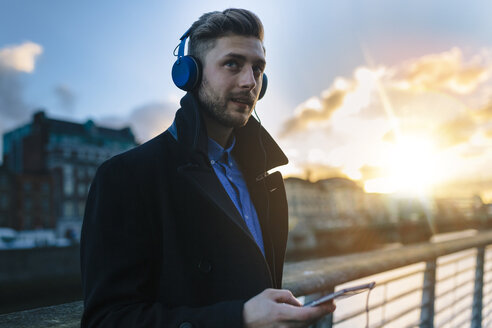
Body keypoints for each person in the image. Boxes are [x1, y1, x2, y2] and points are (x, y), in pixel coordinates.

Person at [80, 8, 335, 328]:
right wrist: (239, 318)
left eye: (258, 69)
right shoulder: (126, 177)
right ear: (190, 74)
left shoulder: (264, 179)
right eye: (232, 64)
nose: (250, 82)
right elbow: (107, 320)